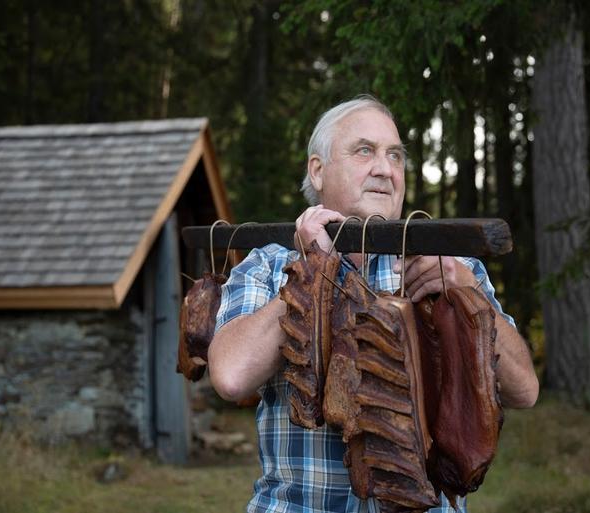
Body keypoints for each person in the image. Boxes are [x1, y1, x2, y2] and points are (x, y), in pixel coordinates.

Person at [209, 95, 539, 513]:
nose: (385, 169)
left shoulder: (449, 266)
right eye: (364, 151)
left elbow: (524, 391)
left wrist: (471, 296)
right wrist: (314, 272)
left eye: (395, 156)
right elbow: (231, 376)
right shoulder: (271, 265)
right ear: (318, 169)